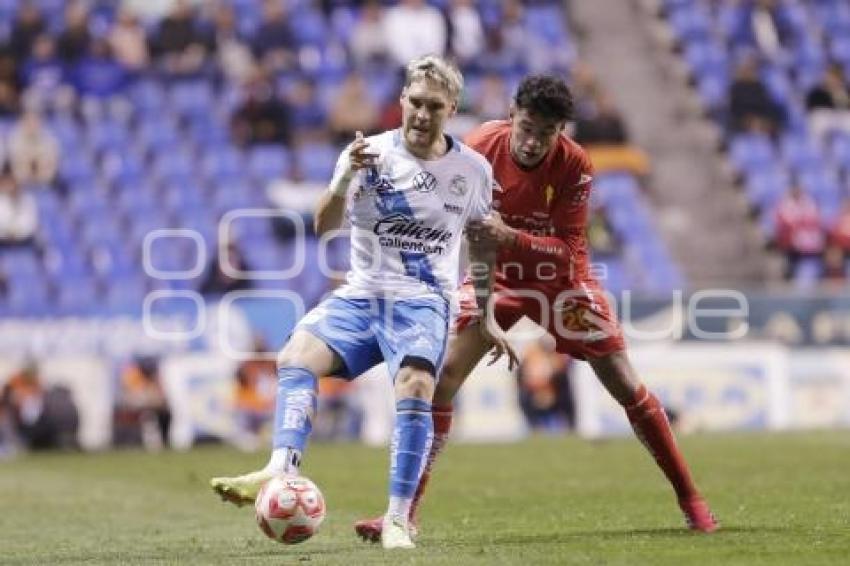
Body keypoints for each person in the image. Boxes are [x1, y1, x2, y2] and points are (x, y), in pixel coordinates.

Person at [354, 74, 719, 541]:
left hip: (561, 282)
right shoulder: (479, 147)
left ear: (560, 131)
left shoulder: (575, 164)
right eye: (526, 128)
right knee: (441, 380)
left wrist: (512, 236)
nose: (532, 142)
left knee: (624, 382)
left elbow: (567, 250)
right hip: (497, 277)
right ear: (512, 115)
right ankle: (404, 515)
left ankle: (691, 500)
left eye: (546, 133)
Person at [209, 55, 516, 550]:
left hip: (422, 303)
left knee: (417, 384)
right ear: (401, 100)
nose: (422, 114)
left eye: (434, 106)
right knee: (295, 355)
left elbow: (481, 246)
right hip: (362, 296)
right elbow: (323, 225)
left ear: (452, 109)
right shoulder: (366, 153)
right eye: (416, 102)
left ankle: (397, 519)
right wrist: (342, 179)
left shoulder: (472, 170)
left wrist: (485, 314)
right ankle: (279, 468)